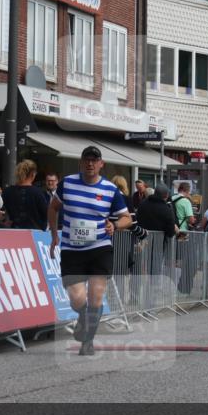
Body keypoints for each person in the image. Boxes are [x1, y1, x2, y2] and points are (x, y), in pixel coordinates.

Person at [47, 146, 131, 356]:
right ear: (81, 162)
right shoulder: (67, 183)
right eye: (87, 160)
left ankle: (88, 341)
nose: (90, 164)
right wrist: (54, 235)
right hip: (71, 249)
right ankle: (83, 318)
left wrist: (115, 226)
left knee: (96, 296)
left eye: (95, 160)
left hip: (99, 247)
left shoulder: (110, 189)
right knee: (77, 299)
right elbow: (53, 207)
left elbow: (127, 218)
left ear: (101, 164)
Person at [1, 159, 48, 230]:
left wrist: (4, 220)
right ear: (33, 174)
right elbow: (46, 214)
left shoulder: (7, 191)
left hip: (13, 231)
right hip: (34, 233)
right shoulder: (38, 192)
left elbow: (0, 211)